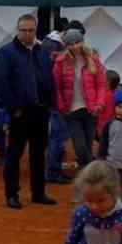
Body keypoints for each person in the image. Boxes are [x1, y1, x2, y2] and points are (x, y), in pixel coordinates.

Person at [0, 14, 57, 209]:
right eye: (23, 30)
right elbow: (1, 82)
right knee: (14, 154)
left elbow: (48, 78)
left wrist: (50, 103)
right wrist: (13, 108)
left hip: (41, 111)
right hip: (20, 113)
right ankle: (12, 194)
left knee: (39, 154)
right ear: (17, 30)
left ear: (36, 30)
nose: (27, 33)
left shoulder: (42, 52)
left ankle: (38, 193)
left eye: (31, 30)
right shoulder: (6, 53)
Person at [53, 28, 106, 170]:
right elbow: (56, 87)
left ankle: (87, 178)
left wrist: (99, 103)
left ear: (82, 42)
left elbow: (101, 85)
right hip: (71, 111)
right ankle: (95, 170)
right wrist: (61, 107)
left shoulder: (93, 60)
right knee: (80, 147)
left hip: (90, 110)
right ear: (66, 45)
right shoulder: (60, 62)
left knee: (88, 146)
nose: (75, 46)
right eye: (71, 43)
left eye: (77, 42)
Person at [45, 21, 73, 184]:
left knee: (56, 136)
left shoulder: (47, 44)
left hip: (54, 99)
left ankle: (53, 168)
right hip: (57, 100)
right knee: (58, 136)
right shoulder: (55, 48)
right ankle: (53, 171)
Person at [96, 69, 119, 139]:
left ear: (108, 82)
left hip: (104, 126)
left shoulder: (106, 95)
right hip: (113, 125)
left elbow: (102, 113)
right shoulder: (115, 93)